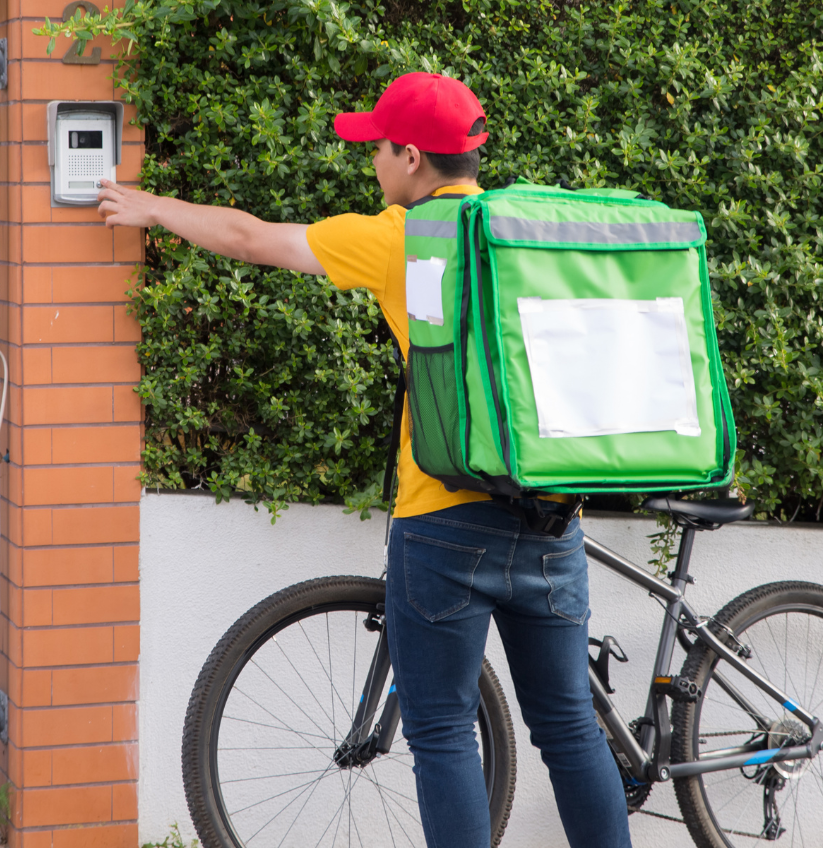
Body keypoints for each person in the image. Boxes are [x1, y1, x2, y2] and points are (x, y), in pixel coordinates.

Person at [96, 72, 632, 848]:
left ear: (412, 157)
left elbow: (252, 237)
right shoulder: (526, 232)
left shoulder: (399, 237)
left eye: (377, 148)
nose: (372, 162)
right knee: (568, 728)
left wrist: (150, 208)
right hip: (550, 519)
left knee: (445, 731)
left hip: (443, 522)